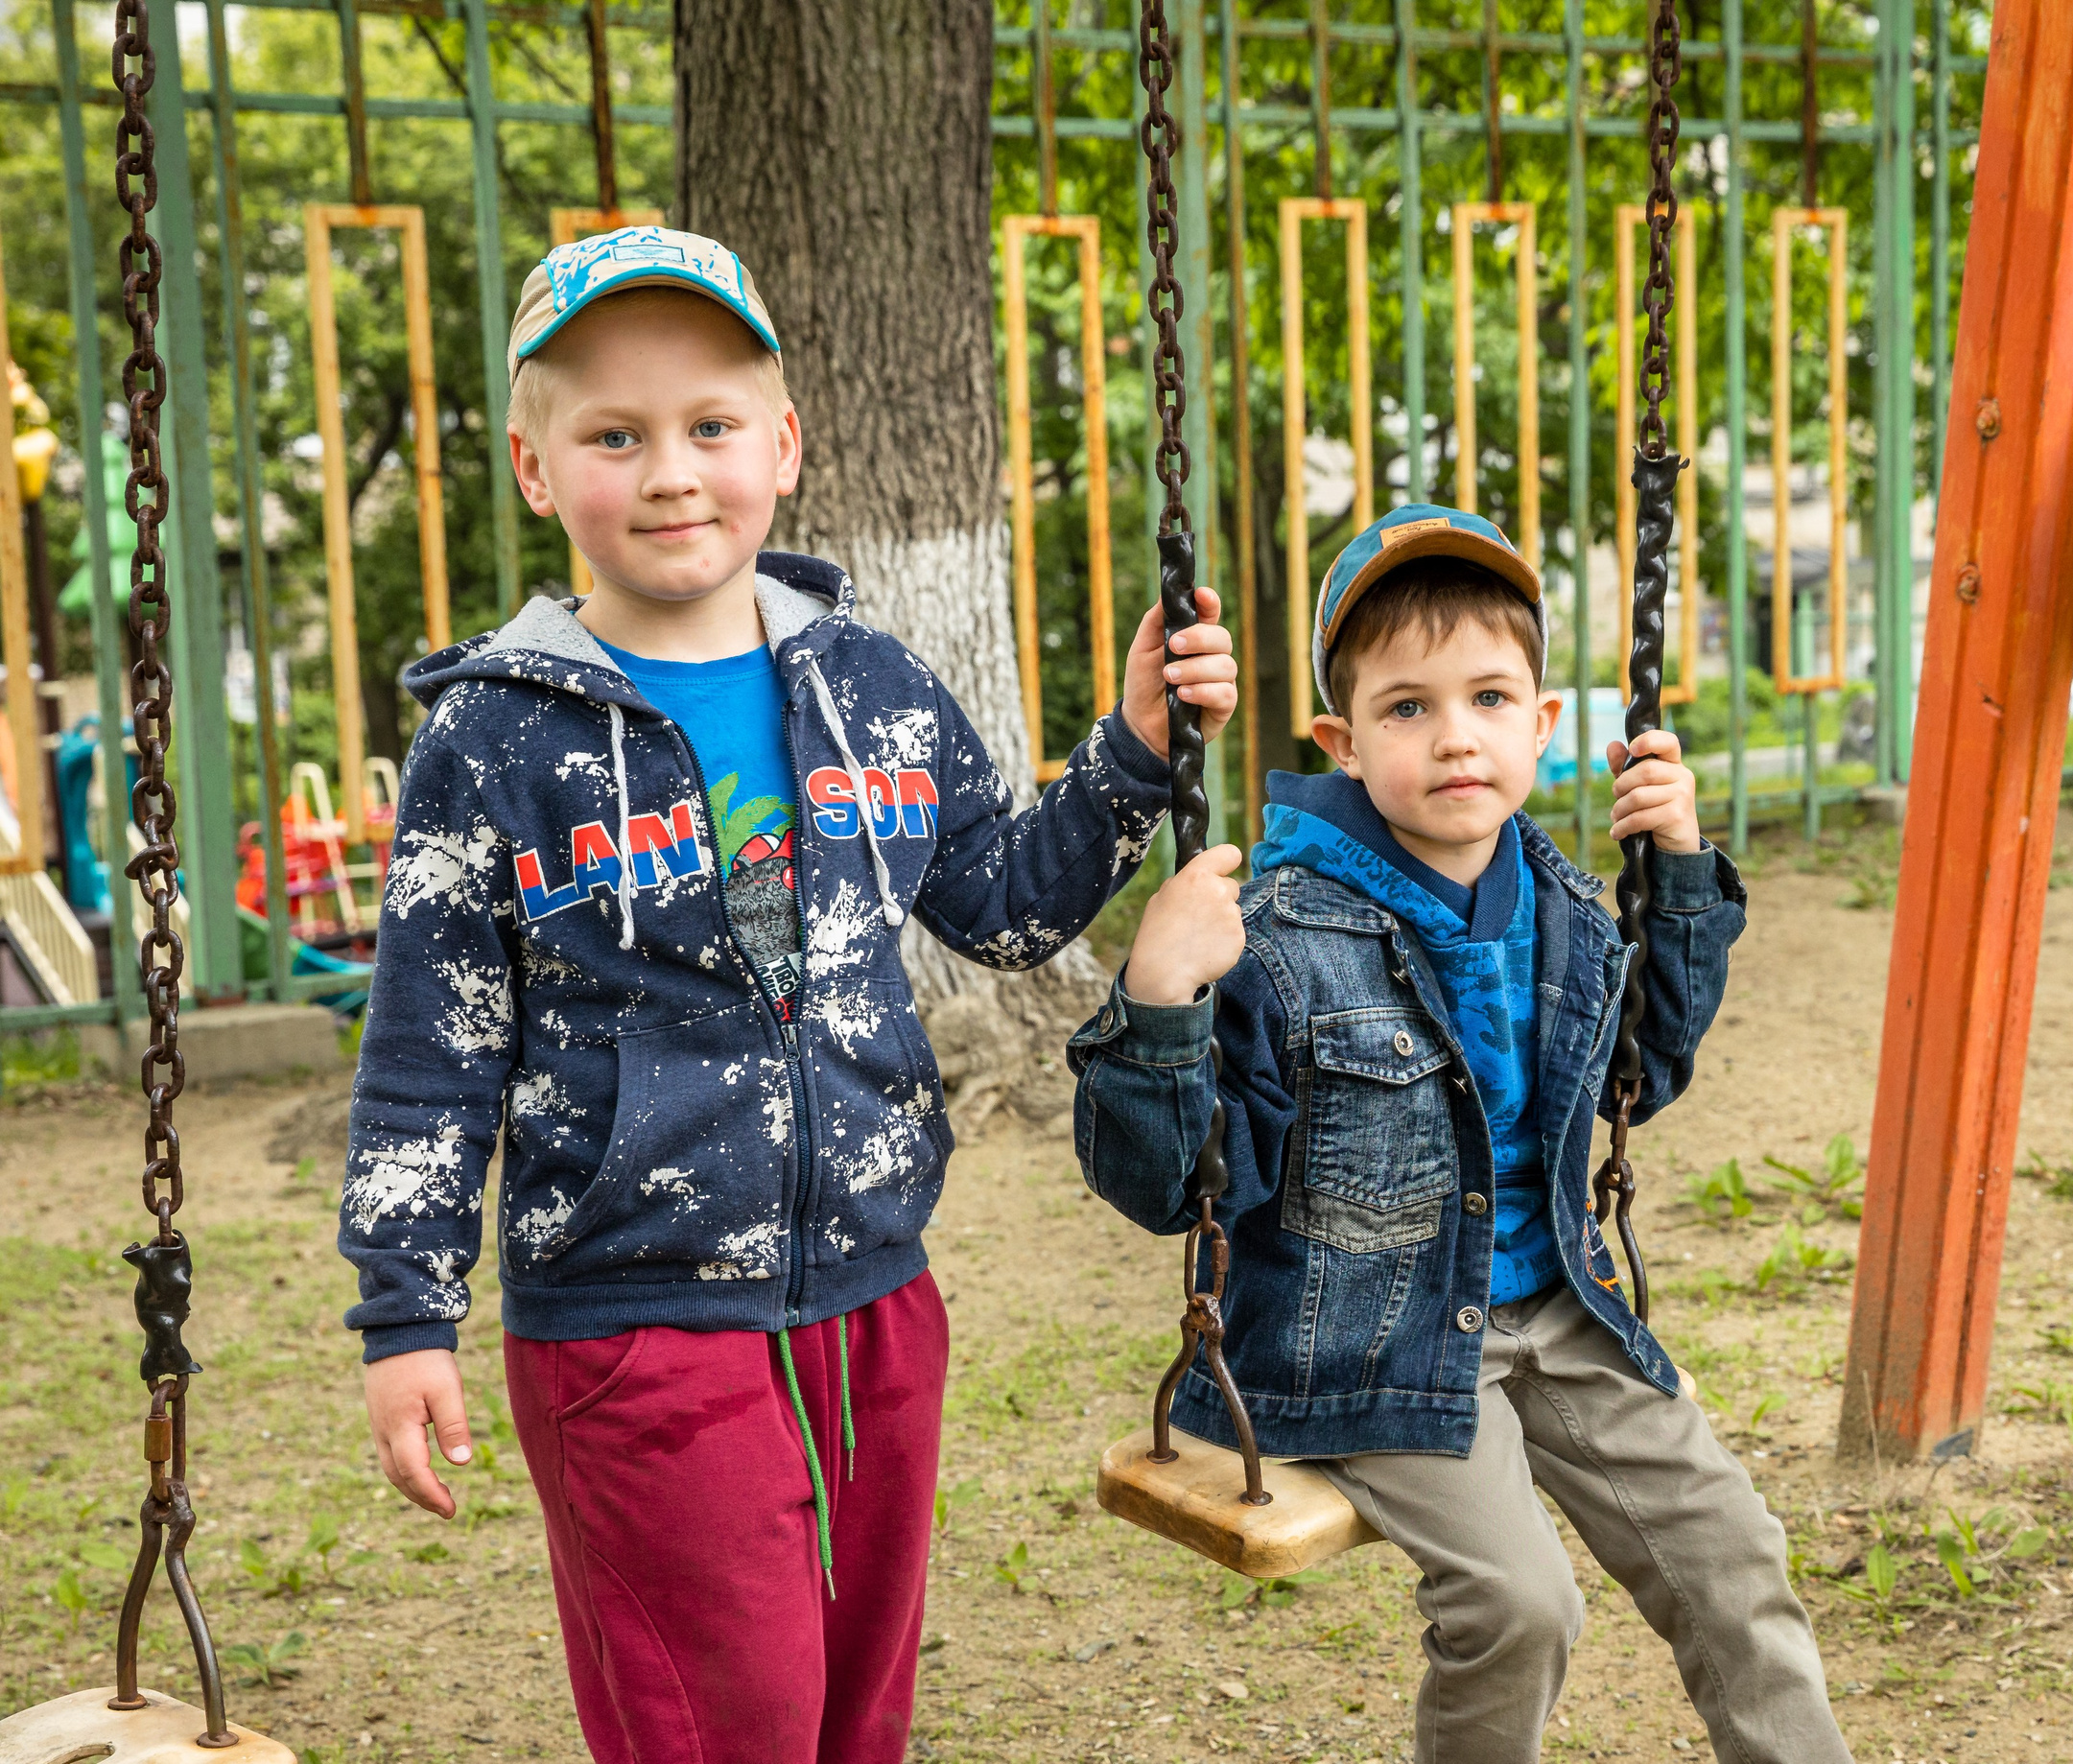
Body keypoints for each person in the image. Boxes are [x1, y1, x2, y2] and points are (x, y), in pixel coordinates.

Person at [339, 226, 1237, 1763]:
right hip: (633, 1316)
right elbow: (434, 1049)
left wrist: (1135, 755)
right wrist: (405, 1312)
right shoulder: (493, 740)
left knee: (853, 1715)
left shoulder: (873, 689)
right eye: (615, 435)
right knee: (730, 1721)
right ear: (539, 470)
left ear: (785, 444)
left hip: (878, 1289)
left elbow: (1006, 908)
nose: (673, 471)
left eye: (709, 426)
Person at [1070, 504, 1851, 1764]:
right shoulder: (1273, 931)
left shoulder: (1568, 905)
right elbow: (1171, 1185)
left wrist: (1684, 871)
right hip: (1371, 1340)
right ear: (1342, 736)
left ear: (1545, 726)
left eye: (1490, 699)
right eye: (1407, 708)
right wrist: (1160, 1001)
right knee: (1519, 1602)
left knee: (1734, 1555)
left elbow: (1639, 1070)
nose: (1455, 740)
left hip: (1560, 1312)